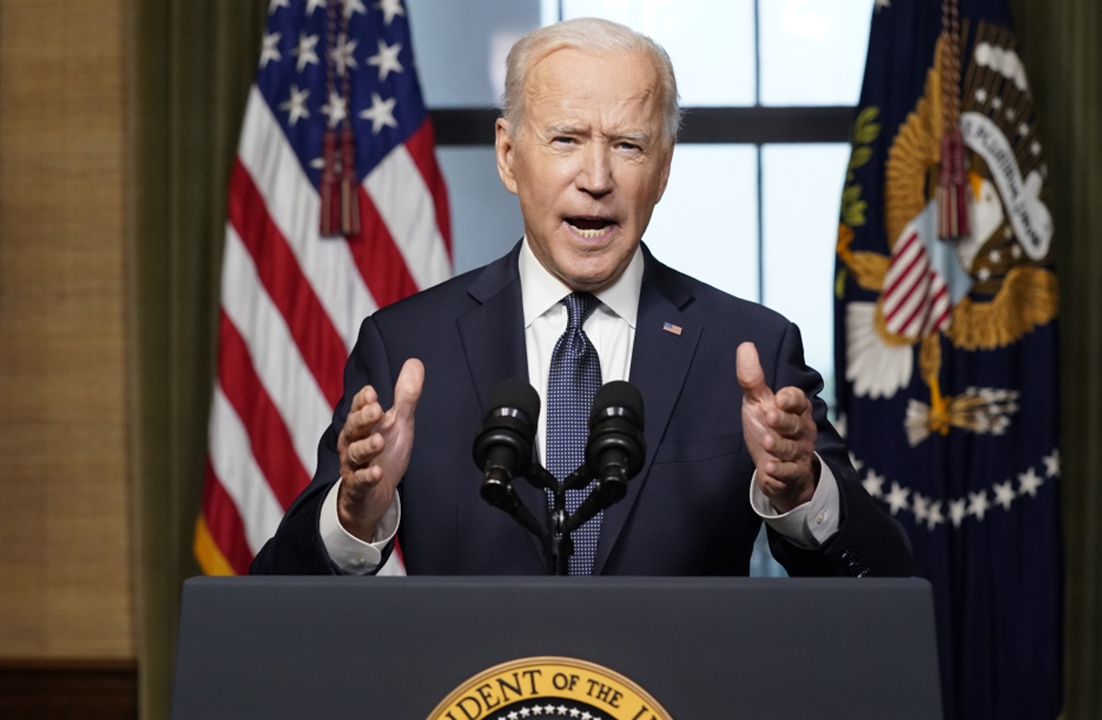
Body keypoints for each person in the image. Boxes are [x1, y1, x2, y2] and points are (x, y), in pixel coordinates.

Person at [250, 18, 913, 577]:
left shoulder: (748, 352)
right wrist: (355, 514)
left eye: (628, 145)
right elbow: (278, 595)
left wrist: (802, 492)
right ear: (508, 155)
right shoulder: (409, 348)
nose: (596, 177)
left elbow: (885, 580)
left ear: (664, 168)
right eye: (566, 139)